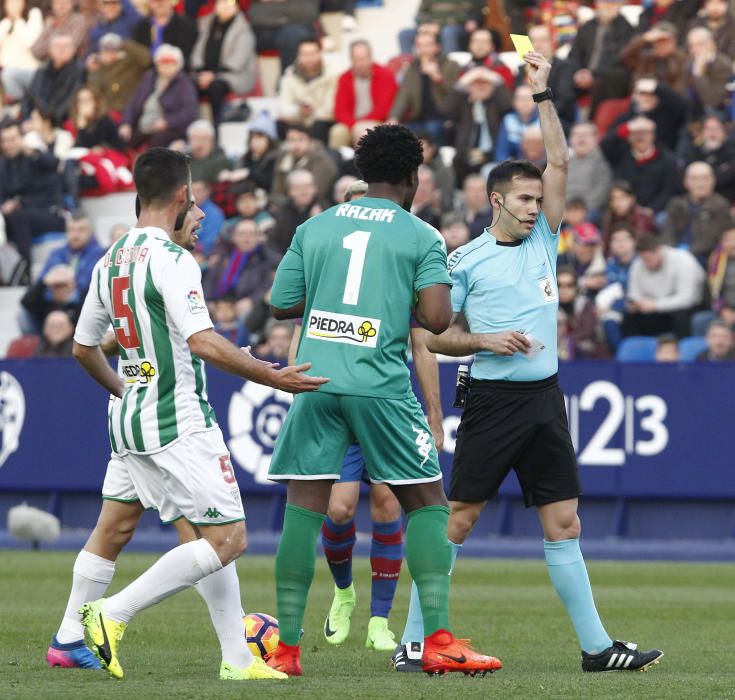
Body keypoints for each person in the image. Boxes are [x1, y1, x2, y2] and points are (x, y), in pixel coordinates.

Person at [394, 50, 663, 674]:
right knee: (457, 519)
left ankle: (597, 649)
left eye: (537, 199)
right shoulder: (463, 262)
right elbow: (430, 336)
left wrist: (542, 94)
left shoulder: (546, 238)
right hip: (490, 399)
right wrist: (484, 342)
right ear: (495, 200)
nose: (533, 207)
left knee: (564, 521)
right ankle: (415, 641)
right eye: (522, 198)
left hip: (545, 397)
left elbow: (562, 159)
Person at [69, 147, 327, 681]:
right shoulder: (172, 258)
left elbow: (81, 347)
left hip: (131, 420)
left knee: (205, 536)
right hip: (178, 420)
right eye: (197, 196)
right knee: (228, 539)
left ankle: (237, 659)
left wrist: (126, 389)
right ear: (183, 194)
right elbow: (204, 342)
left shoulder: (109, 258)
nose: (203, 211)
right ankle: (109, 614)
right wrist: (272, 374)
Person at [264, 123, 502, 677]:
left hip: (315, 382)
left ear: (363, 173)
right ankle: (438, 639)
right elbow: (438, 320)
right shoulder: (420, 235)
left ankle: (287, 650)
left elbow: (281, 303)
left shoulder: (316, 225)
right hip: (380, 386)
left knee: (303, 511)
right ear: (414, 178)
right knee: (427, 503)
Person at [623, 234, 705, 338]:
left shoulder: (683, 260)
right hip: (654, 308)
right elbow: (634, 293)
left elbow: (687, 299)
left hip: (686, 307)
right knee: (630, 317)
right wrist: (635, 303)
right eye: (643, 259)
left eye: (648, 259)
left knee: (681, 317)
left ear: (658, 250)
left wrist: (656, 305)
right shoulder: (638, 264)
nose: (646, 263)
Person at [119, 44, 198, 149]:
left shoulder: (184, 83)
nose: (166, 66)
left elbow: (189, 112)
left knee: (157, 143)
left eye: (170, 63)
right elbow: (133, 103)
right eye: (162, 62)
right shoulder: (149, 78)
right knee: (121, 139)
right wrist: (126, 123)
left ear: (178, 65)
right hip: (143, 125)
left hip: (169, 129)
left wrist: (167, 122)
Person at [190, 0, 257, 124]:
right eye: (221, 2)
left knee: (216, 87)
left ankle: (217, 127)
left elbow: (238, 61)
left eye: (230, 3)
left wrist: (213, 75)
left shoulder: (243, 28)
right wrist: (201, 72)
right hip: (205, 74)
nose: (225, 6)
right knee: (189, 85)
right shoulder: (205, 24)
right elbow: (197, 51)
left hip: (235, 75)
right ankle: (195, 127)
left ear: (237, 7)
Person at [329, 39, 398, 149]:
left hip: (378, 121)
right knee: (337, 132)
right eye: (357, 59)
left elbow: (384, 108)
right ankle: (339, 163)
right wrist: (354, 124)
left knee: (365, 132)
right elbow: (340, 110)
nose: (361, 63)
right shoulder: (344, 78)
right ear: (351, 60)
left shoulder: (385, 75)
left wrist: (359, 125)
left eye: (364, 58)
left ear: (371, 57)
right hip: (352, 123)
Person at [661, 161, 730, 261]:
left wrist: (685, 254)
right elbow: (668, 233)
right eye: (695, 178)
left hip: (701, 258)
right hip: (674, 256)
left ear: (713, 181)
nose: (700, 183)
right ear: (686, 182)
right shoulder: (676, 204)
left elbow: (711, 240)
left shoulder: (721, 206)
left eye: (705, 178)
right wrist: (671, 252)